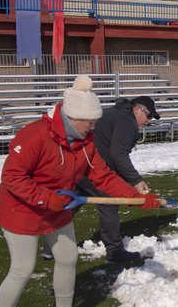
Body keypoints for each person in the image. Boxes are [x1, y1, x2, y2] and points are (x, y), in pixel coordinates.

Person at [0, 75, 162, 307]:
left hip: (58, 209)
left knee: (67, 257)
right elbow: (12, 177)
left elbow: (102, 175)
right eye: (91, 122)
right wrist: (46, 198)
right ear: (75, 117)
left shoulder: (85, 141)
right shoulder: (35, 135)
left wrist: (135, 197)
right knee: (23, 269)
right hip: (23, 210)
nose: (94, 127)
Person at [64, 95, 161, 263]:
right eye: (149, 116)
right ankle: (115, 251)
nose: (149, 121)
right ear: (137, 109)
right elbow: (118, 154)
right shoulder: (127, 122)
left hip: (81, 163)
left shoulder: (117, 114)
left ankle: (53, 245)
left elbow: (112, 151)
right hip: (94, 168)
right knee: (109, 203)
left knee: (73, 203)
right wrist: (136, 181)